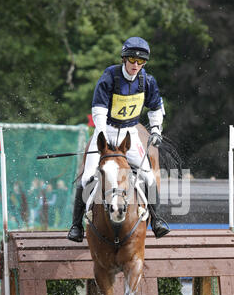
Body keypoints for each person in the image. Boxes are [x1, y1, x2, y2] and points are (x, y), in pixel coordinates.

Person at [67, 36, 170, 242]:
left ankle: (157, 221)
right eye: (132, 60)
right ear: (124, 58)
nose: (136, 65)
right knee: (87, 177)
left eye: (141, 62)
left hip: (130, 133)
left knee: (148, 177)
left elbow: (156, 108)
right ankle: (76, 226)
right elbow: (98, 110)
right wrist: (103, 137)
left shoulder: (146, 81)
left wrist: (156, 130)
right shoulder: (110, 77)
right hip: (106, 131)